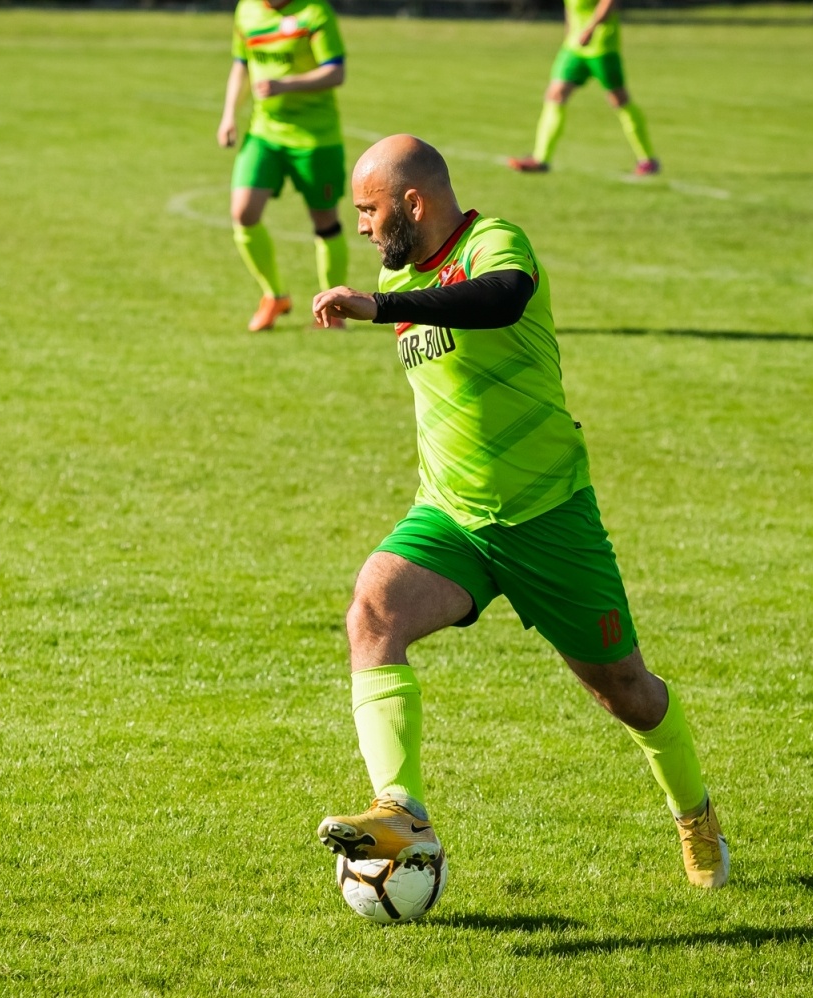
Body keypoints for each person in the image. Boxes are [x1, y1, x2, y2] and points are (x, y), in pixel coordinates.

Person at [310, 135, 725, 889]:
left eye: (369, 209)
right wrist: (389, 297)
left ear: (414, 203)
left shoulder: (495, 242)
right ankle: (400, 811)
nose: (362, 226)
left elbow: (500, 298)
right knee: (372, 611)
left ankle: (694, 814)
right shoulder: (401, 271)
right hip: (452, 516)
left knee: (625, 691)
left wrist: (382, 306)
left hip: (548, 516)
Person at [218, 0, 351, 331]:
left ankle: (334, 311)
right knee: (243, 213)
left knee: (325, 221)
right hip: (264, 133)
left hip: (315, 136)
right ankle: (274, 295)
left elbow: (336, 71)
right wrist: (229, 114)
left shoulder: (314, 12)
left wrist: (285, 84)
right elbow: (241, 64)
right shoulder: (247, 10)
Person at [505, 0, 660, 177]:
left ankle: (647, 159)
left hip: (602, 46)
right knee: (555, 94)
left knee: (619, 99)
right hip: (574, 47)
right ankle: (541, 159)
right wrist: (569, 33)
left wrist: (590, 29)